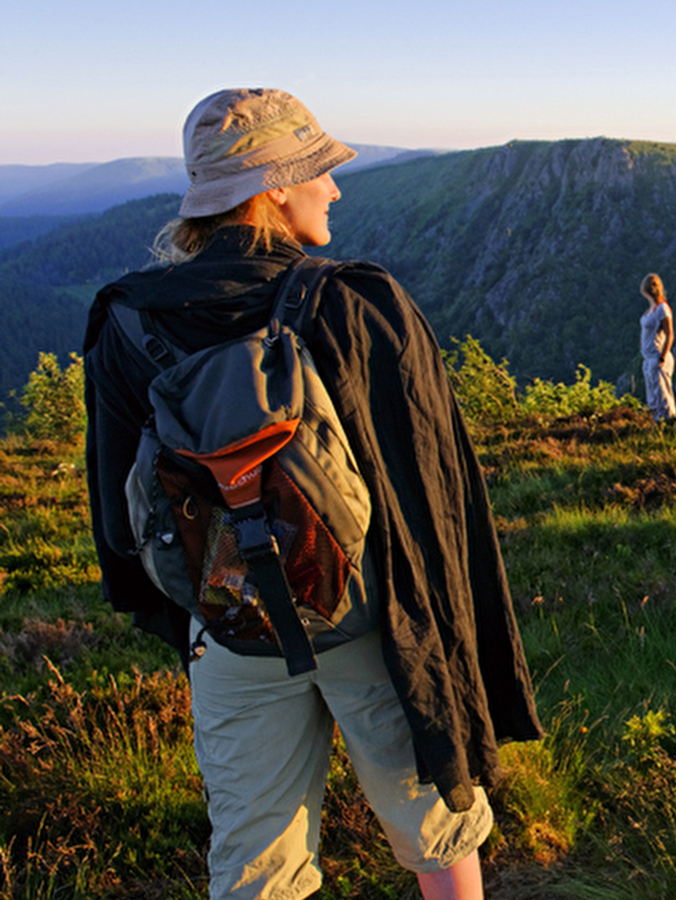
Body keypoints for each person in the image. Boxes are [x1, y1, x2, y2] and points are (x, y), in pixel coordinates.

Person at [81, 88, 542, 900]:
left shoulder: (123, 323)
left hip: (228, 628)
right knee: (439, 829)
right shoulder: (356, 304)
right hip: (369, 623)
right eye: (318, 173)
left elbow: (121, 518)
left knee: (256, 864)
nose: (333, 188)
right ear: (274, 188)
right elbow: (431, 494)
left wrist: (194, 615)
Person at [639, 272, 676, 420]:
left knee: (663, 396)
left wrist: (662, 356)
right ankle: (658, 424)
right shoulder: (651, 309)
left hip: (657, 356)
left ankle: (668, 424)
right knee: (653, 397)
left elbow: (670, 334)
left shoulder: (662, 309)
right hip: (648, 358)